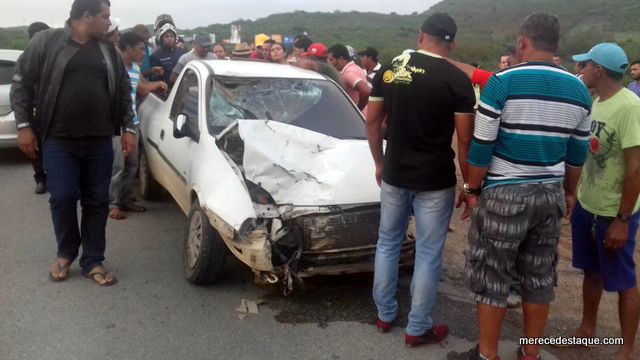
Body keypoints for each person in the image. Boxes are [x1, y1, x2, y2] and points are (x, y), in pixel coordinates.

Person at [448, 13, 593, 360]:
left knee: (493, 274)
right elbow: (577, 154)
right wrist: (569, 192)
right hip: (549, 195)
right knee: (539, 276)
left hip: (506, 192)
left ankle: (488, 355)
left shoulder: (502, 82)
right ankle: (531, 354)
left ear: (523, 42)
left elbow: (482, 145)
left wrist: (471, 187)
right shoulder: (579, 90)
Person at [367, 12, 476, 348]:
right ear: (452, 43)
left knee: (388, 242)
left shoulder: (390, 69)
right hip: (434, 178)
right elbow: (465, 141)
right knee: (428, 253)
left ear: (420, 35)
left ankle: (385, 314)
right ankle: (418, 327)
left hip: (395, 173)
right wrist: (470, 186)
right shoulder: (456, 80)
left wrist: (379, 162)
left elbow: (372, 122)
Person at [11, 0, 137, 286]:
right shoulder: (47, 42)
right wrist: (23, 126)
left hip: (99, 140)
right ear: (86, 16)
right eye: (105, 16)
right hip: (58, 140)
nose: (109, 21)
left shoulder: (108, 51)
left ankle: (93, 259)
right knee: (63, 197)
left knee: (96, 200)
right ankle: (66, 252)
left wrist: (128, 127)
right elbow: (21, 82)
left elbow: (124, 91)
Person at [568, 43, 640, 360]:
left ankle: (625, 348)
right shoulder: (596, 102)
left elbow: (636, 169)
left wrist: (623, 221)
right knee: (591, 272)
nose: (581, 70)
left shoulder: (630, 107)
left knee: (623, 279)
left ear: (599, 69)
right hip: (588, 205)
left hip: (615, 212)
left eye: (585, 66)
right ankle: (587, 329)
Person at [109, 32, 167, 220]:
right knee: (118, 165)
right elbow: (142, 89)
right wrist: (157, 84)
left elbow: (141, 86)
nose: (144, 53)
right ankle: (112, 203)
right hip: (116, 124)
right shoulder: (115, 68)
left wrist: (154, 82)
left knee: (131, 164)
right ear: (128, 48)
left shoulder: (134, 67)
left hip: (131, 122)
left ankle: (124, 199)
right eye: (141, 49)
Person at [25, 21, 50, 195]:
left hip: (55, 109)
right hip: (34, 109)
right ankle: (40, 178)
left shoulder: (56, 56)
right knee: (36, 146)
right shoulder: (27, 59)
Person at [328, 43, 370, 113]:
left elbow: (365, 91)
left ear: (341, 59)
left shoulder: (348, 74)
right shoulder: (355, 67)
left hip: (358, 116)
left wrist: (357, 110)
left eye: (331, 60)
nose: (329, 63)